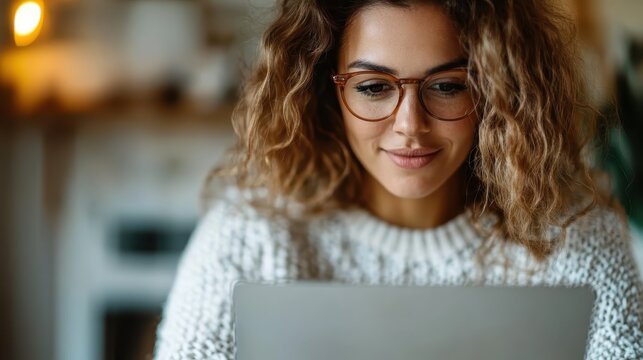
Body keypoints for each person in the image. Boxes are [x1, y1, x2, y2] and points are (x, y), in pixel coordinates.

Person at [153, 1, 643, 359]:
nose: (409, 124)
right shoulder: (248, 234)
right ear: (324, 91)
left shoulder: (577, 240)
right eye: (373, 88)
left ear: (498, 91)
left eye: (448, 86)